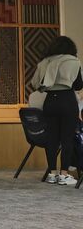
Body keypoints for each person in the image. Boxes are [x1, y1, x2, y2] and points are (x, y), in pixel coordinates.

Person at [31, 36, 83, 186]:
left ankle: (52, 173)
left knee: (52, 139)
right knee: (67, 138)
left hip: (50, 101)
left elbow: (35, 83)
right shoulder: (74, 61)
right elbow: (78, 85)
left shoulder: (44, 62)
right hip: (67, 100)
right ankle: (64, 174)